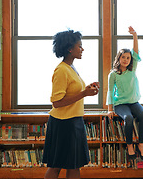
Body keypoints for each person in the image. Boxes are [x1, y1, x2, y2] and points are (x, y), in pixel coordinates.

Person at [43, 30, 100, 179]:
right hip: (63, 124)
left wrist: (87, 89)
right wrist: (84, 94)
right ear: (70, 49)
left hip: (74, 121)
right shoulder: (61, 70)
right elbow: (56, 102)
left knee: (74, 165)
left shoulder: (71, 68)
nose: (82, 49)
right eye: (79, 46)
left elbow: (72, 92)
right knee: (56, 166)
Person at [107, 26, 143, 161]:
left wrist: (134, 35)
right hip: (120, 104)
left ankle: (141, 144)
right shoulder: (113, 74)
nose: (126, 60)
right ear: (118, 58)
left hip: (134, 102)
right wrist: (109, 109)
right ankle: (129, 145)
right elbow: (110, 91)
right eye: (123, 57)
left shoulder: (132, 69)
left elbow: (135, 51)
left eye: (128, 58)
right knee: (128, 118)